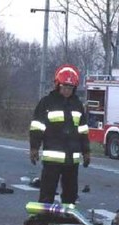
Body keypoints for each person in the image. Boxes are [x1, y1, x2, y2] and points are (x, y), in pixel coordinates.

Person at [29, 64, 90, 204]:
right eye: (64, 87)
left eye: (70, 87)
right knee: (47, 192)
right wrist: (34, 148)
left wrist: (86, 152)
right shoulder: (47, 103)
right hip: (52, 160)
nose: (67, 90)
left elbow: (83, 131)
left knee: (70, 194)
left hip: (72, 161)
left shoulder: (77, 105)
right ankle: (43, 219)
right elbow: (37, 127)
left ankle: (68, 220)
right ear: (58, 85)